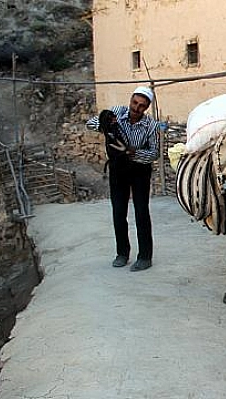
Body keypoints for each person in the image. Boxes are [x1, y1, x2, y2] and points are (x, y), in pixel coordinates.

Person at [86, 86, 160, 272]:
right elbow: (91, 124)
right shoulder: (117, 113)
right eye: (135, 103)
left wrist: (133, 152)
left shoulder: (150, 125)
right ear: (131, 100)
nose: (137, 108)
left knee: (141, 212)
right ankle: (122, 253)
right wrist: (107, 123)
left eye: (142, 106)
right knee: (119, 211)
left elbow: (154, 153)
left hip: (140, 170)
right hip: (118, 169)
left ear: (147, 107)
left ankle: (144, 256)